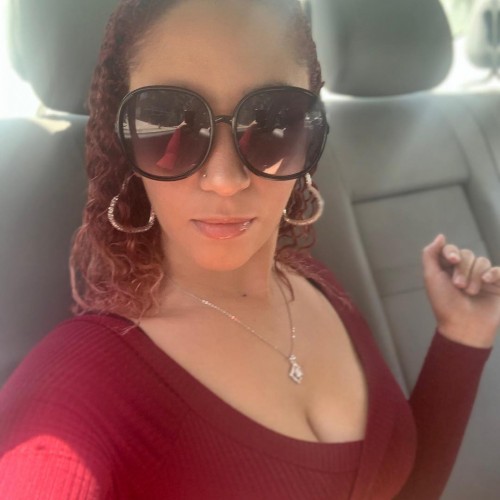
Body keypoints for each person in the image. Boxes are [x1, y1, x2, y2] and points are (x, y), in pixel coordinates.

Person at [1, 0, 499, 498]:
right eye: (166, 121)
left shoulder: (317, 288)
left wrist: (463, 336)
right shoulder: (84, 376)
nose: (224, 179)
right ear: (122, 143)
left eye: (273, 121)